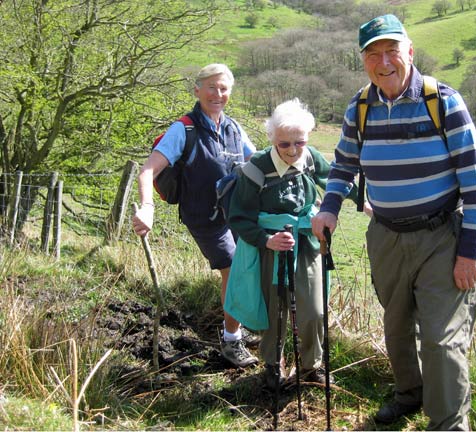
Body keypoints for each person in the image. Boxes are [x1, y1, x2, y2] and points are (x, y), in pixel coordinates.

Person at [311, 15, 476, 431]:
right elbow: (343, 165)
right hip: (386, 237)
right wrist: (329, 208)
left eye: (392, 50)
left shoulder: (442, 102)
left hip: (442, 237)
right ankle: (409, 395)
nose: (384, 61)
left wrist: (469, 253)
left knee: (442, 341)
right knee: (395, 325)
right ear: (364, 62)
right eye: (373, 53)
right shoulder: (359, 108)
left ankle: (448, 423)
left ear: (410, 52)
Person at [132, 63, 259, 368]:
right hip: (203, 217)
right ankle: (232, 343)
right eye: (212, 87)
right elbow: (148, 171)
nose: (218, 94)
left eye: (224, 88)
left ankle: (239, 322)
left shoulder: (233, 128)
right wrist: (147, 209)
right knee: (232, 267)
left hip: (235, 213)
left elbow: (258, 164)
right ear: (198, 90)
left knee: (253, 262)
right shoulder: (184, 129)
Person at [223, 98, 342, 389]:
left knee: (314, 311)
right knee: (275, 311)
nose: (292, 150)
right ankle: (272, 366)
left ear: (308, 139)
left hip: (308, 243)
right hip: (271, 248)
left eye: (298, 143)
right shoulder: (257, 168)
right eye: (284, 144)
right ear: (273, 139)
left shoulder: (311, 157)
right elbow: (239, 218)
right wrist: (268, 240)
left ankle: (312, 366)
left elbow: (336, 181)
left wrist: (363, 201)